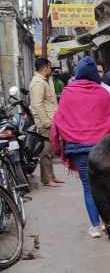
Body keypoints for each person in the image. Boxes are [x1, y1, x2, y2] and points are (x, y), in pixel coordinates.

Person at [51, 57, 110, 238]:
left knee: (88, 187)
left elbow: (60, 118)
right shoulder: (103, 93)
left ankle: (95, 227)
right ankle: (108, 223)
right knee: (105, 185)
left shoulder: (67, 93)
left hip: (78, 148)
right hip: (101, 148)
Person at [29, 56, 64, 187]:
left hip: (51, 121)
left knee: (51, 150)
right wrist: (47, 122)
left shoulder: (44, 80)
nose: (51, 69)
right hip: (46, 123)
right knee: (46, 151)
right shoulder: (38, 82)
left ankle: (51, 176)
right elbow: (37, 105)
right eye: (50, 67)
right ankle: (46, 179)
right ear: (45, 68)